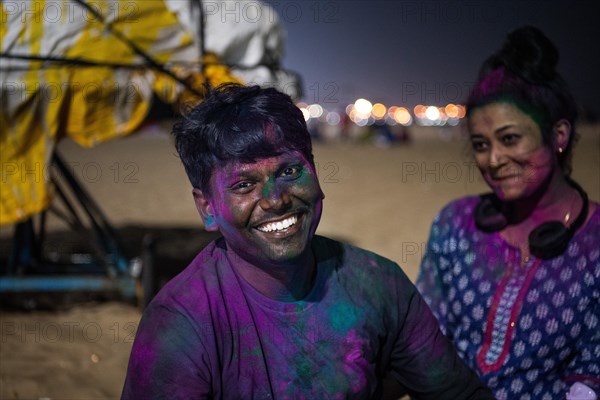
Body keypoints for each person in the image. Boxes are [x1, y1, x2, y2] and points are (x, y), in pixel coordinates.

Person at [122, 83, 493, 399]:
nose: (276, 199)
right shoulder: (180, 327)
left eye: (289, 170)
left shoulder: (378, 285)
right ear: (207, 208)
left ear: (314, 171)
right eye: (243, 184)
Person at [416, 26, 600, 400]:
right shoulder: (455, 223)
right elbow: (425, 339)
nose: (494, 159)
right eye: (481, 144)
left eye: (510, 138)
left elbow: (589, 375)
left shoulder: (596, 243)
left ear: (559, 136)